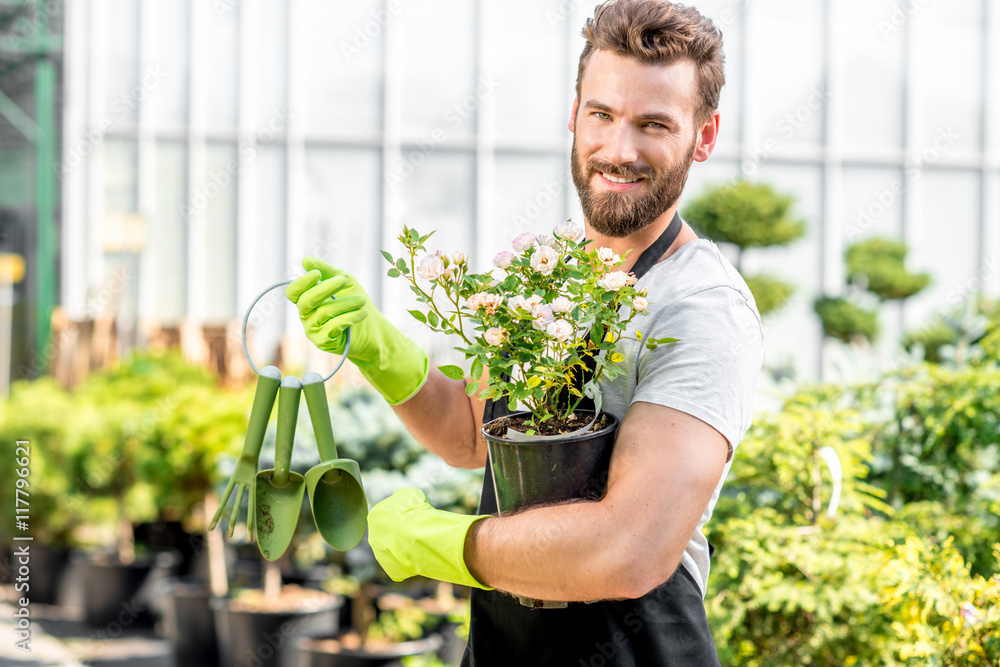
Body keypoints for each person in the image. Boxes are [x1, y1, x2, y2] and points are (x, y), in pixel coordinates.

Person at [287, 1, 763, 663]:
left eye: (654, 124)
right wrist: (379, 347)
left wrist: (443, 543)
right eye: (602, 114)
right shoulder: (548, 276)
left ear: (703, 137)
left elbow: (629, 548)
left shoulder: (700, 306)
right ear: (574, 115)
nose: (619, 149)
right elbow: (470, 432)